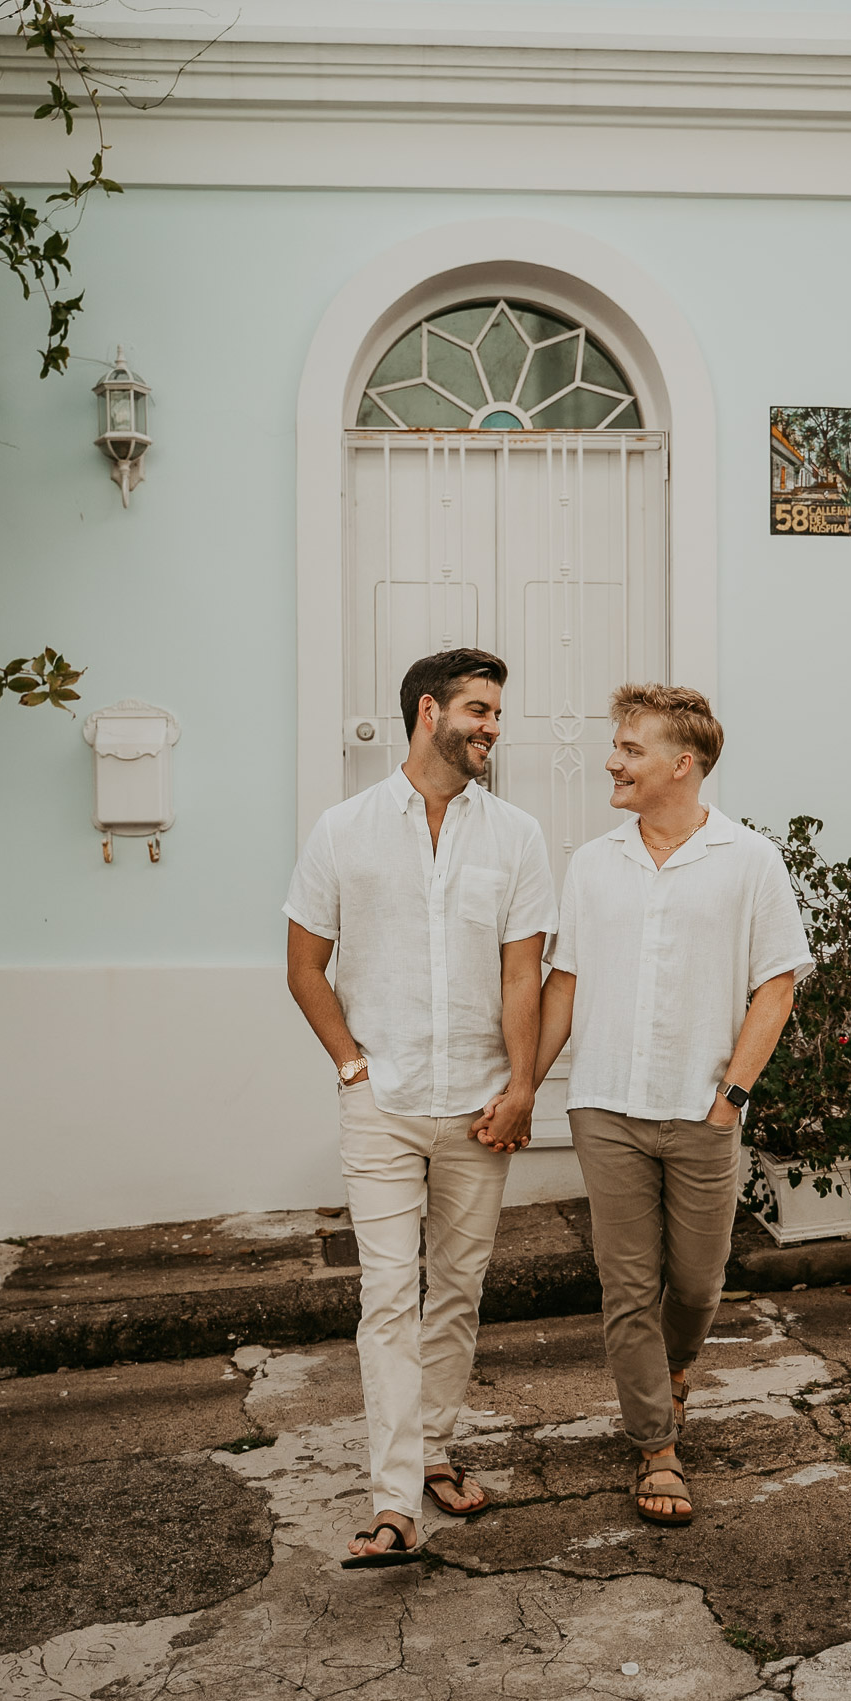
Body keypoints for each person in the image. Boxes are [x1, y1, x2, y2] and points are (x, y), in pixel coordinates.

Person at [475, 683, 811, 1525]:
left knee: (696, 1286)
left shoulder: (749, 859)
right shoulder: (594, 863)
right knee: (626, 1286)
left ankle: (674, 1368)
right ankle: (656, 1448)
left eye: (629, 749)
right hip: (607, 1108)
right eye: (615, 747)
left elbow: (775, 987)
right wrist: (526, 1088)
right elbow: (566, 983)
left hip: (703, 1110)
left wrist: (731, 1097)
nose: (611, 762)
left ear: (681, 764)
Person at [285, 647, 556, 1566]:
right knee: (389, 1295)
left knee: (460, 1293)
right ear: (428, 710)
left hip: (481, 1102)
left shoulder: (515, 835)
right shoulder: (343, 829)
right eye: (479, 710)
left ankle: (435, 1448)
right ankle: (394, 1500)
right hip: (385, 1103)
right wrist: (354, 1067)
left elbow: (524, 973)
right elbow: (303, 965)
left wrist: (522, 1088)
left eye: (496, 714)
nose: (491, 727)